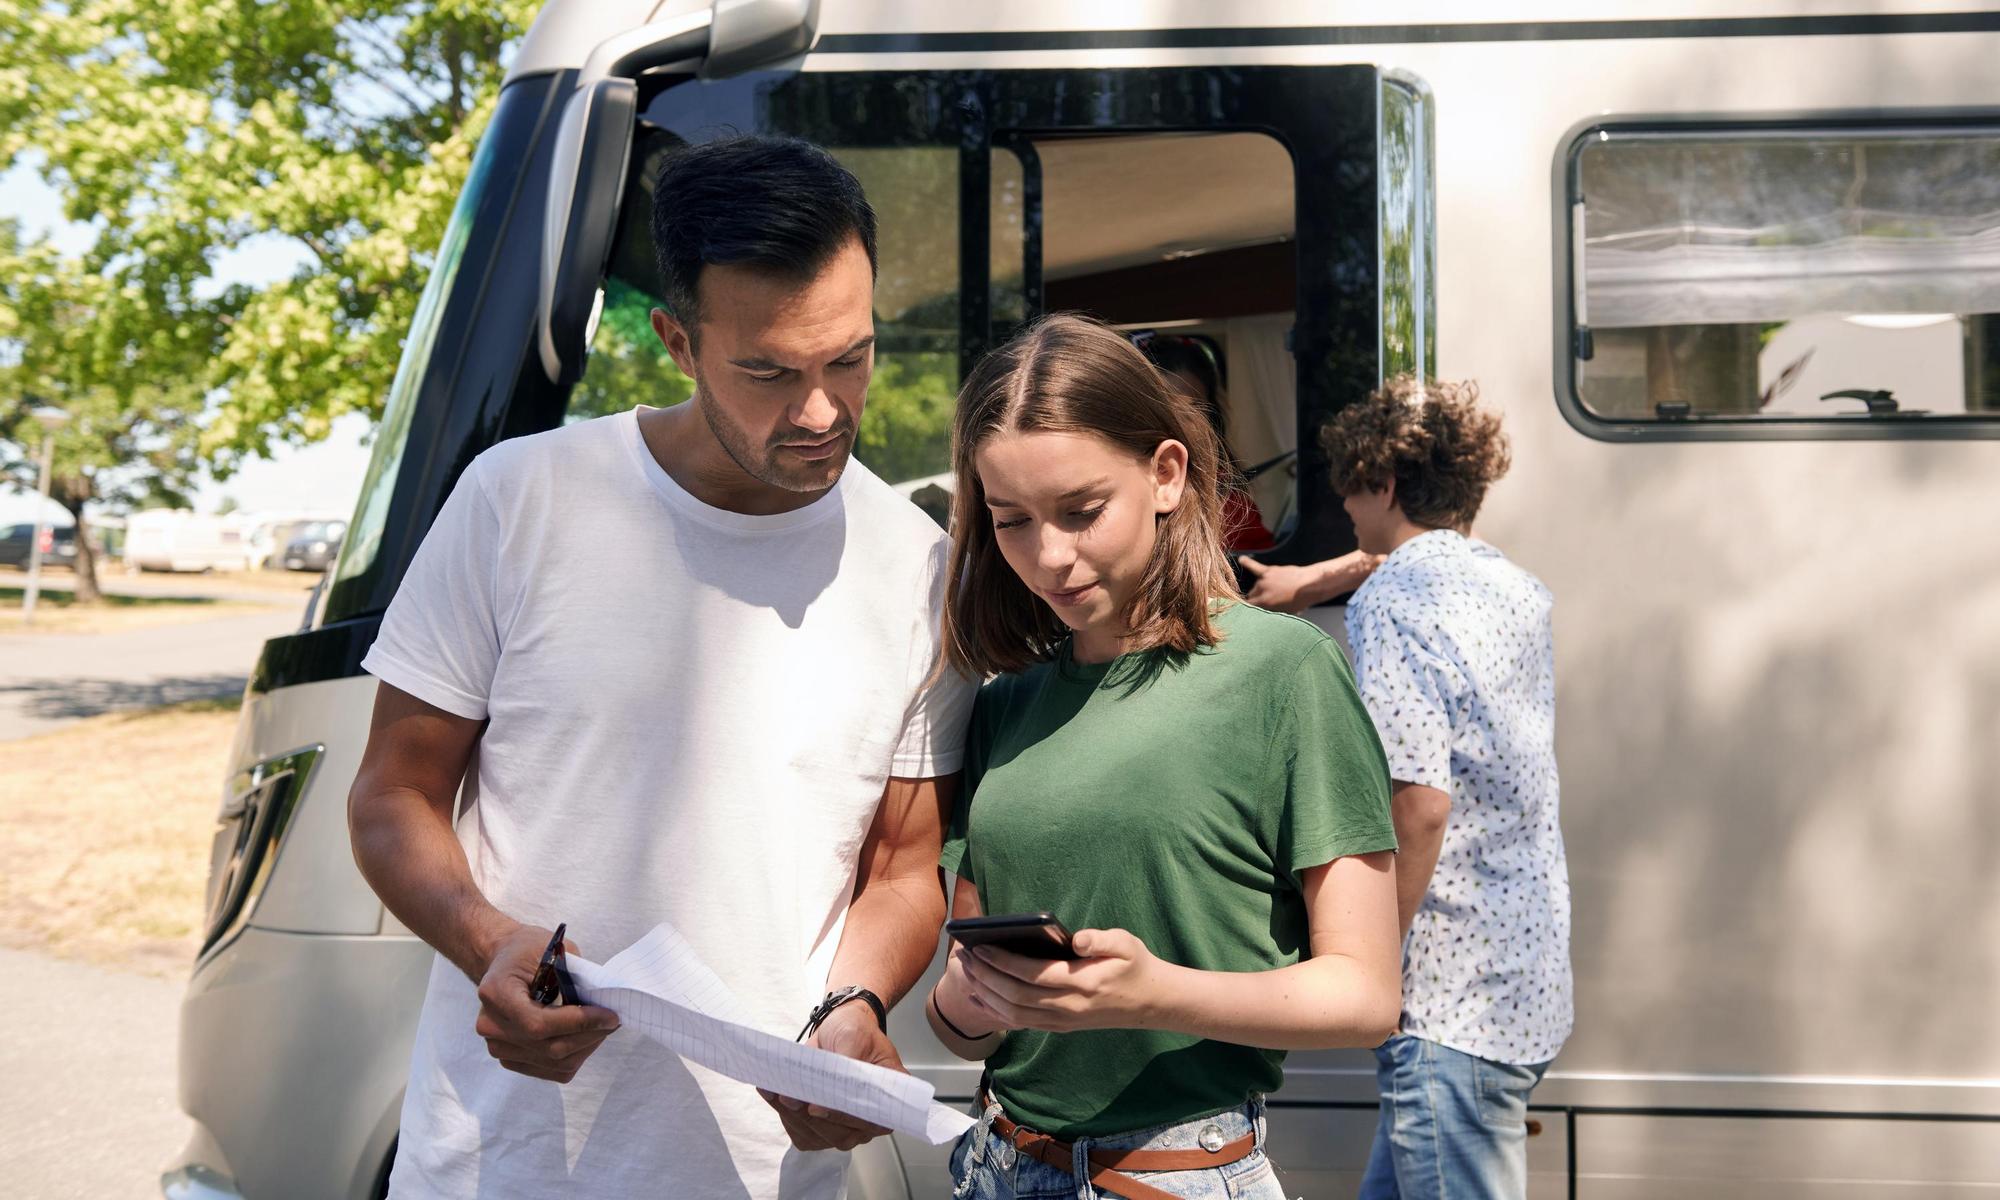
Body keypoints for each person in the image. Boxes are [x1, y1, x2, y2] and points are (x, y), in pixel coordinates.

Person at [345, 135, 975, 1199]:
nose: (821, 411)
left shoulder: (922, 567)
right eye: (770, 371)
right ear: (678, 341)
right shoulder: (521, 499)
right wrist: (487, 944)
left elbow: (902, 867)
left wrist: (853, 1010)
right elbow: (392, 794)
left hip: (762, 1170)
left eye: (850, 358)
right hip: (500, 1162)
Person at [924, 313, 1403, 1200]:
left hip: (1175, 1174)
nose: (1048, 556)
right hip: (997, 1162)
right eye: (1011, 521)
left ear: (1167, 473)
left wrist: (1156, 993)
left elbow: (1365, 996)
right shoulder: (1003, 706)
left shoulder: (1286, 671)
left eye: (1080, 511)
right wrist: (970, 998)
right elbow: (961, 1022)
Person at [1323, 377, 1573, 1200]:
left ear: (1385, 485)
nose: (1346, 513)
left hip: (1448, 998)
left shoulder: (1395, 596)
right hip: (1519, 975)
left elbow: (1420, 799)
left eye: (1350, 491)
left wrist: (1370, 962)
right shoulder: (1511, 586)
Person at [1131, 331, 1276, 552]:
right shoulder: (1118, 484)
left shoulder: (1227, 497)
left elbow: (1255, 555)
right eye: (1166, 408)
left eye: (1195, 409)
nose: (1180, 422)